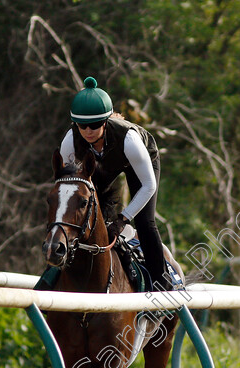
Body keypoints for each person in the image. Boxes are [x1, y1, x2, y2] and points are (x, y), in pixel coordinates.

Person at [58, 76, 170, 291]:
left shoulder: (129, 140)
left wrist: (123, 219)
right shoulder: (69, 141)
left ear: (106, 122)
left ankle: (161, 283)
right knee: (73, 217)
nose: (88, 131)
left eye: (95, 124)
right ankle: (55, 275)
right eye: (82, 125)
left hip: (141, 163)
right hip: (102, 163)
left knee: (145, 223)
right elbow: (66, 187)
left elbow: (149, 185)